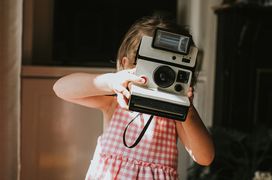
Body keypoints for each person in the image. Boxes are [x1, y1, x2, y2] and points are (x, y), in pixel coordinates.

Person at [53, 16, 214, 180]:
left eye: (169, 68)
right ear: (127, 64)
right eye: (154, 64)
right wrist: (109, 81)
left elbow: (205, 157)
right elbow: (61, 88)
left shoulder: (176, 116)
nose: (161, 74)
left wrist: (187, 109)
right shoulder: (116, 101)